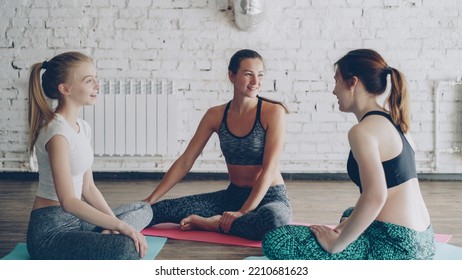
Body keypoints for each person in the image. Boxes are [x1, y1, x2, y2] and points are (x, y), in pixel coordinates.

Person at [262, 49, 436, 260]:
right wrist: (343, 228)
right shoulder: (396, 121)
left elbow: (376, 195)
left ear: (353, 82)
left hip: (397, 249)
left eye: (336, 81)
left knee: (277, 240)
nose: (334, 90)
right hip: (424, 242)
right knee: (349, 215)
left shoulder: (362, 132)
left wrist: (336, 244)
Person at [143, 49, 292, 240]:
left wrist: (243, 211)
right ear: (232, 75)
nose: (256, 82)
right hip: (232, 196)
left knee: (274, 220)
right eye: (248, 74)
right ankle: (104, 223)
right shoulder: (216, 115)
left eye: (260, 75)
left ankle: (212, 224)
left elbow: (270, 169)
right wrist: (150, 199)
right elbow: (186, 161)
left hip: (269, 197)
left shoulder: (273, 112)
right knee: (159, 210)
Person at [26, 52, 153, 260]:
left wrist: (115, 225)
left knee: (144, 209)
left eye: (96, 78)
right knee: (127, 249)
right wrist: (121, 226)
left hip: (78, 221)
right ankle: (110, 239)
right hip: (51, 232)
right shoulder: (57, 134)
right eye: (88, 80)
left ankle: (108, 236)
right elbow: (68, 201)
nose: (97, 85)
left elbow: (88, 187)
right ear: (65, 89)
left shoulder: (82, 128)